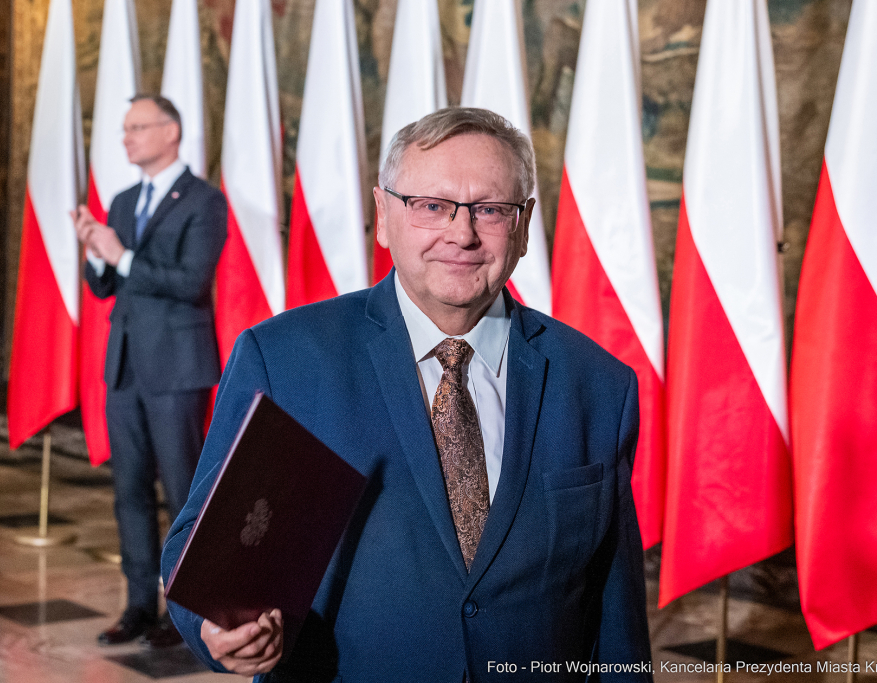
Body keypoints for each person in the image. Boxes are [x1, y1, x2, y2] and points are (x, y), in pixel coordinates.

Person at [161, 107, 652, 681]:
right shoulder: (286, 359)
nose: (461, 233)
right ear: (384, 217)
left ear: (522, 226)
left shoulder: (596, 383)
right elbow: (202, 547)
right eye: (431, 207)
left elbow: (616, 616)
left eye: (490, 210)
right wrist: (218, 630)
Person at [74, 94, 227, 648]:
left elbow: (191, 284)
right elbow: (105, 287)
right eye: (124, 128)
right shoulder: (120, 201)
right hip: (126, 368)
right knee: (128, 490)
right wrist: (96, 252)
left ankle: (186, 615)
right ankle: (139, 603)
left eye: (138, 127)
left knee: (183, 492)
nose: (126, 137)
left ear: (171, 132)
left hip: (177, 369)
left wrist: (121, 255)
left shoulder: (205, 201)